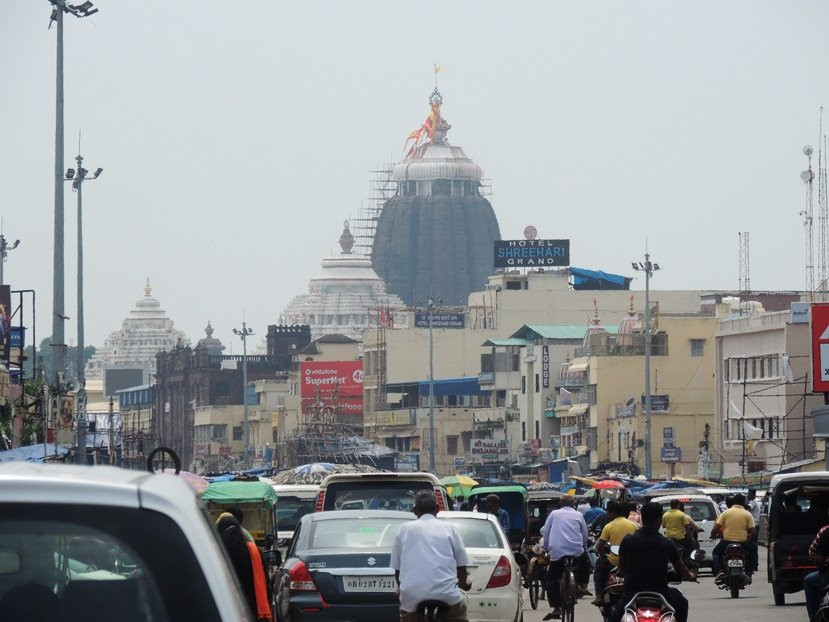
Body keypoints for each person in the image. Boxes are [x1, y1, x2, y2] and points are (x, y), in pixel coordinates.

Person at [391, 490, 471, 622]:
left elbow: (397, 569)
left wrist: (401, 588)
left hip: (411, 595)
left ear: (414, 510)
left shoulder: (404, 529)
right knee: (458, 612)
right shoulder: (450, 529)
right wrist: (464, 584)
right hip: (447, 595)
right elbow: (461, 566)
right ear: (438, 509)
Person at [609, 502, 696, 622]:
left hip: (631, 593)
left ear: (642, 518)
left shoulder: (628, 540)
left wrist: (620, 572)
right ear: (659, 520)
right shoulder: (667, 543)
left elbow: (621, 568)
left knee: (614, 618)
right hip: (661, 592)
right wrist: (690, 576)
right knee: (682, 603)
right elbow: (681, 569)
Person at [541, 495, 592, 620]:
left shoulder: (554, 514)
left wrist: (546, 547)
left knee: (552, 579)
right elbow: (584, 534)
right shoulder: (578, 515)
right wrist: (583, 545)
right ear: (573, 504)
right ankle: (582, 586)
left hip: (557, 551)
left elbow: (546, 532)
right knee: (586, 563)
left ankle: (556, 608)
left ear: (560, 504)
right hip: (576, 551)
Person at [216, 513, 271, 620]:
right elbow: (264, 583)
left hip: (224, 607)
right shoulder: (252, 550)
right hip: (251, 608)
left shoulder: (216, 551)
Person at [592, 500, 638, 606]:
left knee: (599, 570)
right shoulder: (634, 525)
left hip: (614, 561)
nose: (608, 515)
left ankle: (599, 596)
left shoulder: (609, 526)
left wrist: (603, 557)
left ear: (613, 513)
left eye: (609, 513)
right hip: (631, 562)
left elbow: (599, 546)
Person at [711, 492, 756, 579]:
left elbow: (716, 528)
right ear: (744, 503)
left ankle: (719, 571)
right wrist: (749, 536)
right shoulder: (747, 514)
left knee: (716, 553)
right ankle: (749, 572)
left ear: (734, 501)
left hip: (727, 542)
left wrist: (716, 535)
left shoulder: (725, 513)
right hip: (743, 543)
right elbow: (753, 531)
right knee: (753, 549)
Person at [804, 507, 829, 622]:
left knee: (808, 581)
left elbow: (814, 555)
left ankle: (814, 619)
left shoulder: (825, 531)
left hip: (826, 575)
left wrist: (821, 567)